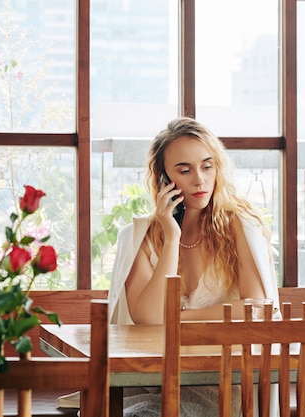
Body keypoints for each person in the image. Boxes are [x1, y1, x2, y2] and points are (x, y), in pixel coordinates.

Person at [108, 117, 281, 416]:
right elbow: (149, 318)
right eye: (184, 170)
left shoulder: (239, 226)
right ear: (163, 178)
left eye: (207, 166)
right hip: (157, 383)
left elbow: (259, 308)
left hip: (226, 386)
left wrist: (181, 318)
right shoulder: (138, 237)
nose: (199, 179)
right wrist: (171, 236)